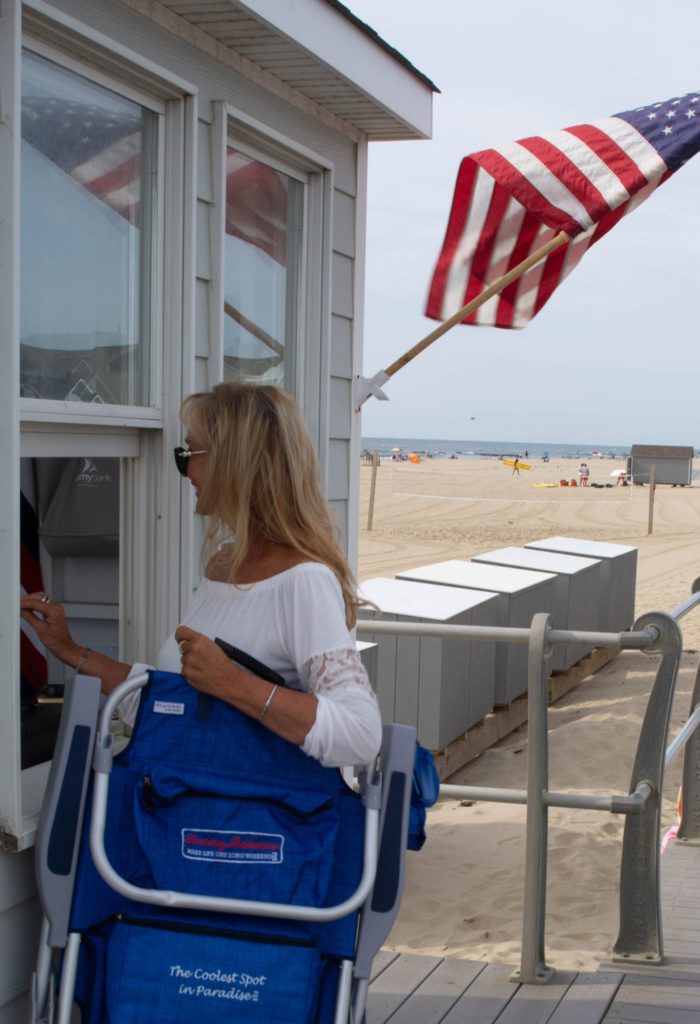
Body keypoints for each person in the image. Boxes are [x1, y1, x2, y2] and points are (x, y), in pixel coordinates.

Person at [20, 383, 382, 768]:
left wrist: (232, 683)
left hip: (246, 822)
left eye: (190, 453)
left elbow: (359, 734)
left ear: (236, 461)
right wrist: (70, 650)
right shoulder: (225, 566)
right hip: (185, 811)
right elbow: (170, 700)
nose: (184, 468)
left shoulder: (303, 580)